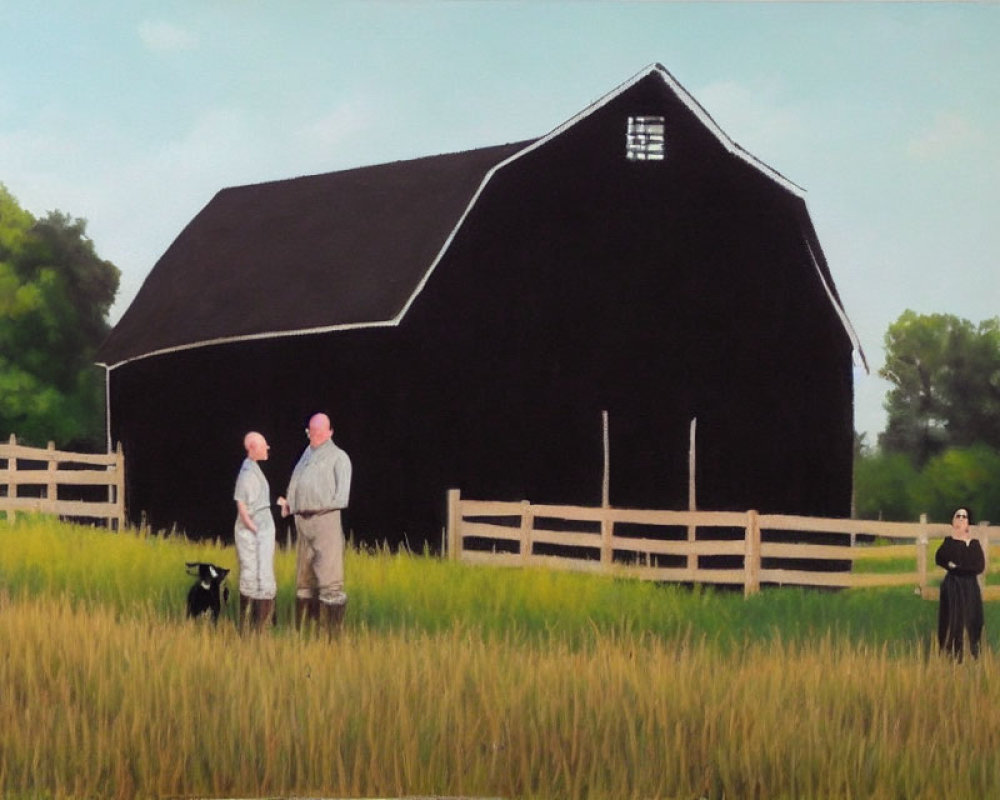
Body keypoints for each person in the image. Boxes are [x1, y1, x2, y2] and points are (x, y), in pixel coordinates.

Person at [278, 412, 352, 634]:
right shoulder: (306, 454)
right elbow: (296, 483)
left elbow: (341, 497)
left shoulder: (339, 457)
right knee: (304, 580)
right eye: (311, 431)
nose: (314, 435)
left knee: (330, 580)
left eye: (319, 431)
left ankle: (332, 637)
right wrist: (290, 504)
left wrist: (310, 504)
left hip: (324, 521)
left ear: (330, 432)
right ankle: (304, 633)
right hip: (302, 522)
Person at [233, 431, 278, 631]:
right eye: (263, 445)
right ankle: (254, 628)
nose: (267, 447)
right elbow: (242, 506)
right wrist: (254, 529)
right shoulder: (247, 474)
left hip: (261, 530)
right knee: (255, 575)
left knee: (262, 574)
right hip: (255, 533)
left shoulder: (254, 470)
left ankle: (260, 628)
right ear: (252, 448)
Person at [934, 506, 985, 661]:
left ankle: (973, 652)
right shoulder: (949, 543)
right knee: (953, 618)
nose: (961, 519)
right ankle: (952, 654)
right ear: (953, 521)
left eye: (964, 517)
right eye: (958, 516)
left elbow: (979, 566)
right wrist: (953, 567)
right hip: (953, 585)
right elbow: (940, 559)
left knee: (972, 617)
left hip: (970, 586)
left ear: (968, 523)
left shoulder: (974, 544)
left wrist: (959, 568)